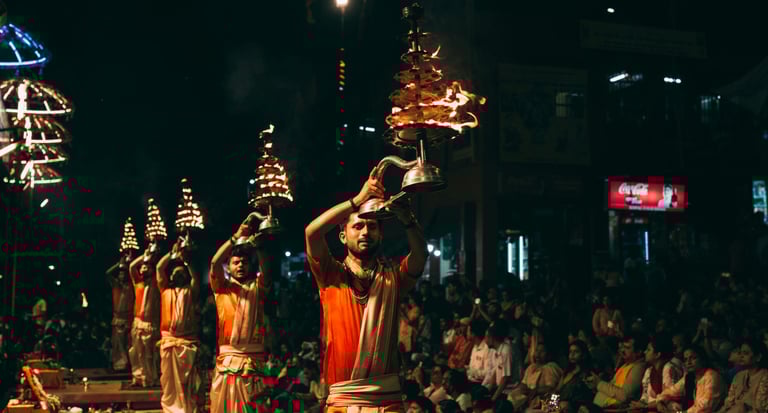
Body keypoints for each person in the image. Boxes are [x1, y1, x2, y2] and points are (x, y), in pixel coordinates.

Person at [305, 169, 428, 412]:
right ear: (342, 236)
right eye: (358, 226)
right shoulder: (330, 274)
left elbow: (420, 256)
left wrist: (408, 220)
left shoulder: (392, 278)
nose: (365, 233)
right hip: (343, 401)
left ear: (380, 234)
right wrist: (357, 201)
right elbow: (312, 232)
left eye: (372, 227)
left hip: (387, 401)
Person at [208, 212, 278, 413]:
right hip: (228, 360)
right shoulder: (221, 287)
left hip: (253, 362)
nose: (240, 265)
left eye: (244, 262)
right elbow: (214, 263)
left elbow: (267, 271)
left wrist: (259, 247)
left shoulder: (257, 286)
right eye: (235, 262)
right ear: (228, 267)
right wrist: (235, 237)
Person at [156, 238, 202, 413]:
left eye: (182, 273)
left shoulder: (191, 291)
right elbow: (159, 268)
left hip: (187, 343)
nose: (178, 275)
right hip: (169, 343)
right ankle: (171, 409)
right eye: (175, 273)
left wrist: (187, 262)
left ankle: (187, 408)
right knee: (168, 381)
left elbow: (195, 278)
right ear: (171, 277)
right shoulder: (164, 290)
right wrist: (171, 254)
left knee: (188, 381)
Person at [652, 345, 725, 413]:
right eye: (686, 359)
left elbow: (705, 406)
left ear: (703, 359)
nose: (688, 362)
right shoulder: (690, 377)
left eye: (693, 358)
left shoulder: (712, 376)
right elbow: (671, 391)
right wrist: (660, 402)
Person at [128, 244, 162, 388]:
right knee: (136, 353)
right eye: (142, 266)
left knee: (150, 354)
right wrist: (144, 255)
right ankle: (139, 378)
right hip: (138, 322)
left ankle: (151, 379)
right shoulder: (138, 283)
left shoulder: (157, 283)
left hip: (150, 323)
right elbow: (131, 267)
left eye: (147, 266)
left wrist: (152, 258)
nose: (143, 268)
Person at [585, 334, 647, 409]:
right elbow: (612, 388)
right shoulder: (626, 365)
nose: (622, 350)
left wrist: (599, 383)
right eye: (622, 347)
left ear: (638, 352)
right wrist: (595, 385)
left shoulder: (639, 367)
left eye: (627, 348)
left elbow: (624, 395)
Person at [631, 334, 684, 408]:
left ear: (657, 354)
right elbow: (645, 395)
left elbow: (667, 397)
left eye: (648, 350)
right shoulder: (649, 371)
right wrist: (640, 403)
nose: (645, 352)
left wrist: (645, 406)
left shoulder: (669, 368)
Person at [717, 339, 768, 413]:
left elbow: (761, 408)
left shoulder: (765, 377)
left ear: (758, 357)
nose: (741, 356)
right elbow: (729, 402)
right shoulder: (739, 376)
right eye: (740, 353)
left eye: (746, 353)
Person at [105, 251, 136, 371]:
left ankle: (129, 364)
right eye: (120, 274)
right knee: (118, 344)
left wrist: (129, 264)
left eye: (124, 274)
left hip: (129, 317)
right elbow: (108, 273)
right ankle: (120, 365)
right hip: (118, 318)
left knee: (129, 343)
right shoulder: (116, 285)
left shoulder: (131, 286)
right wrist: (119, 264)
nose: (122, 276)